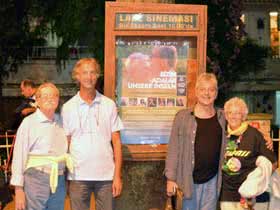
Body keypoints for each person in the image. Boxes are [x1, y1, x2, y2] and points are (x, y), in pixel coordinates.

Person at [61, 58, 123, 210]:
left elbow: (116, 142)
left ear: (97, 75)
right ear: (77, 76)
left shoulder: (109, 105)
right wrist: (64, 177)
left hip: (106, 177)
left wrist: (117, 175)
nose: (89, 77)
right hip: (78, 176)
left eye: (92, 72)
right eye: (84, 73)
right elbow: (65, 145)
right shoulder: (68, 108)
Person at [165, 73, 226, 210]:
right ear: (196, 92)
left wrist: (265, 139)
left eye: (211, 89)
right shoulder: (182, 117)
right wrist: (170, 179)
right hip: (187, 182)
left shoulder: (223, 117)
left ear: (216, 93)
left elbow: (241, 127)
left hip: (212, 181)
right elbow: (173, 149)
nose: (207, 93)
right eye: (203, 89)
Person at [10, 82, 71, 210]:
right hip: (35, 179)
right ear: (37, 100)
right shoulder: (28, 123)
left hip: (58, 180)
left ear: (58, 100)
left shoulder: (63, 122)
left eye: (53, 96)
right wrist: (19, 189)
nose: (50, 99)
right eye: (45, 96)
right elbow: (19, 156)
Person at [220, 97, 277, 210]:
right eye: (230, 112)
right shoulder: (221, 135)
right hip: (227, 195)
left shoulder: (254, 134)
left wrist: (257, 182)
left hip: (251, 197)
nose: (233, 116)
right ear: (226, 116)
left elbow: (274, 163)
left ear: (243, 116)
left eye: (237, 113)